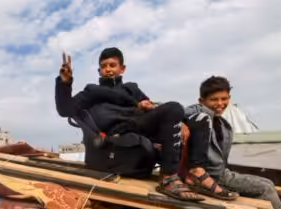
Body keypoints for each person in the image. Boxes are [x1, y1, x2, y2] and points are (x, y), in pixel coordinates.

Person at [55, 47, 202, 201]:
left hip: (140, 126)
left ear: (122, 69)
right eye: (104, 66)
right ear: (99, 71)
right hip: (117, 132)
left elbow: (152, 109)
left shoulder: (132, 88)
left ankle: (196, 173)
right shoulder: (92, 91)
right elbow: (65, 110)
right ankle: (168, 178)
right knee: (174, 108)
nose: (108, 70)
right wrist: (64, 83)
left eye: (112, 65)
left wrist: (177, 119)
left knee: (195, 118)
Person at [184, 76, 281, 209]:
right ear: (201, 101)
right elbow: (184, 112)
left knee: (268, 183)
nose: (220, 103)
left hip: (222, 172)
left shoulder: (224, 125)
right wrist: (180, 122)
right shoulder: (198, 117)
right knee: (266, 188)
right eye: (214, 99)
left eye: (224, 99)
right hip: (210, 176)